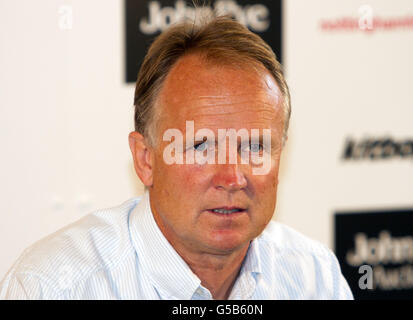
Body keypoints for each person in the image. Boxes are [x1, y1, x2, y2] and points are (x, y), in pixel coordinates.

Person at [0, 15, 353, 300]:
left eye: (255, 147)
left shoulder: (316, 277)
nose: (232, 178)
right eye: (201, 147)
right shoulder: (51, 287)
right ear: (145, 159)